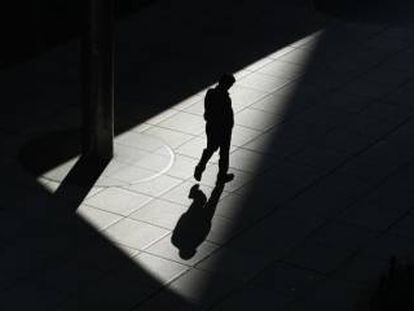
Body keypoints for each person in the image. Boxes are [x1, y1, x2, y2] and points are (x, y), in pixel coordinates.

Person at [194, 73, 236, 183]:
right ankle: (220, 174)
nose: (230, 87)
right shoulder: (223, 97)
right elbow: (224, 113)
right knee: (223, 152)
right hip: (222, 128)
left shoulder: (211, 93)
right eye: (230, 85)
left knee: (212, 148)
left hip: (213, 126)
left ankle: (202, 167)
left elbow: (208, 110)